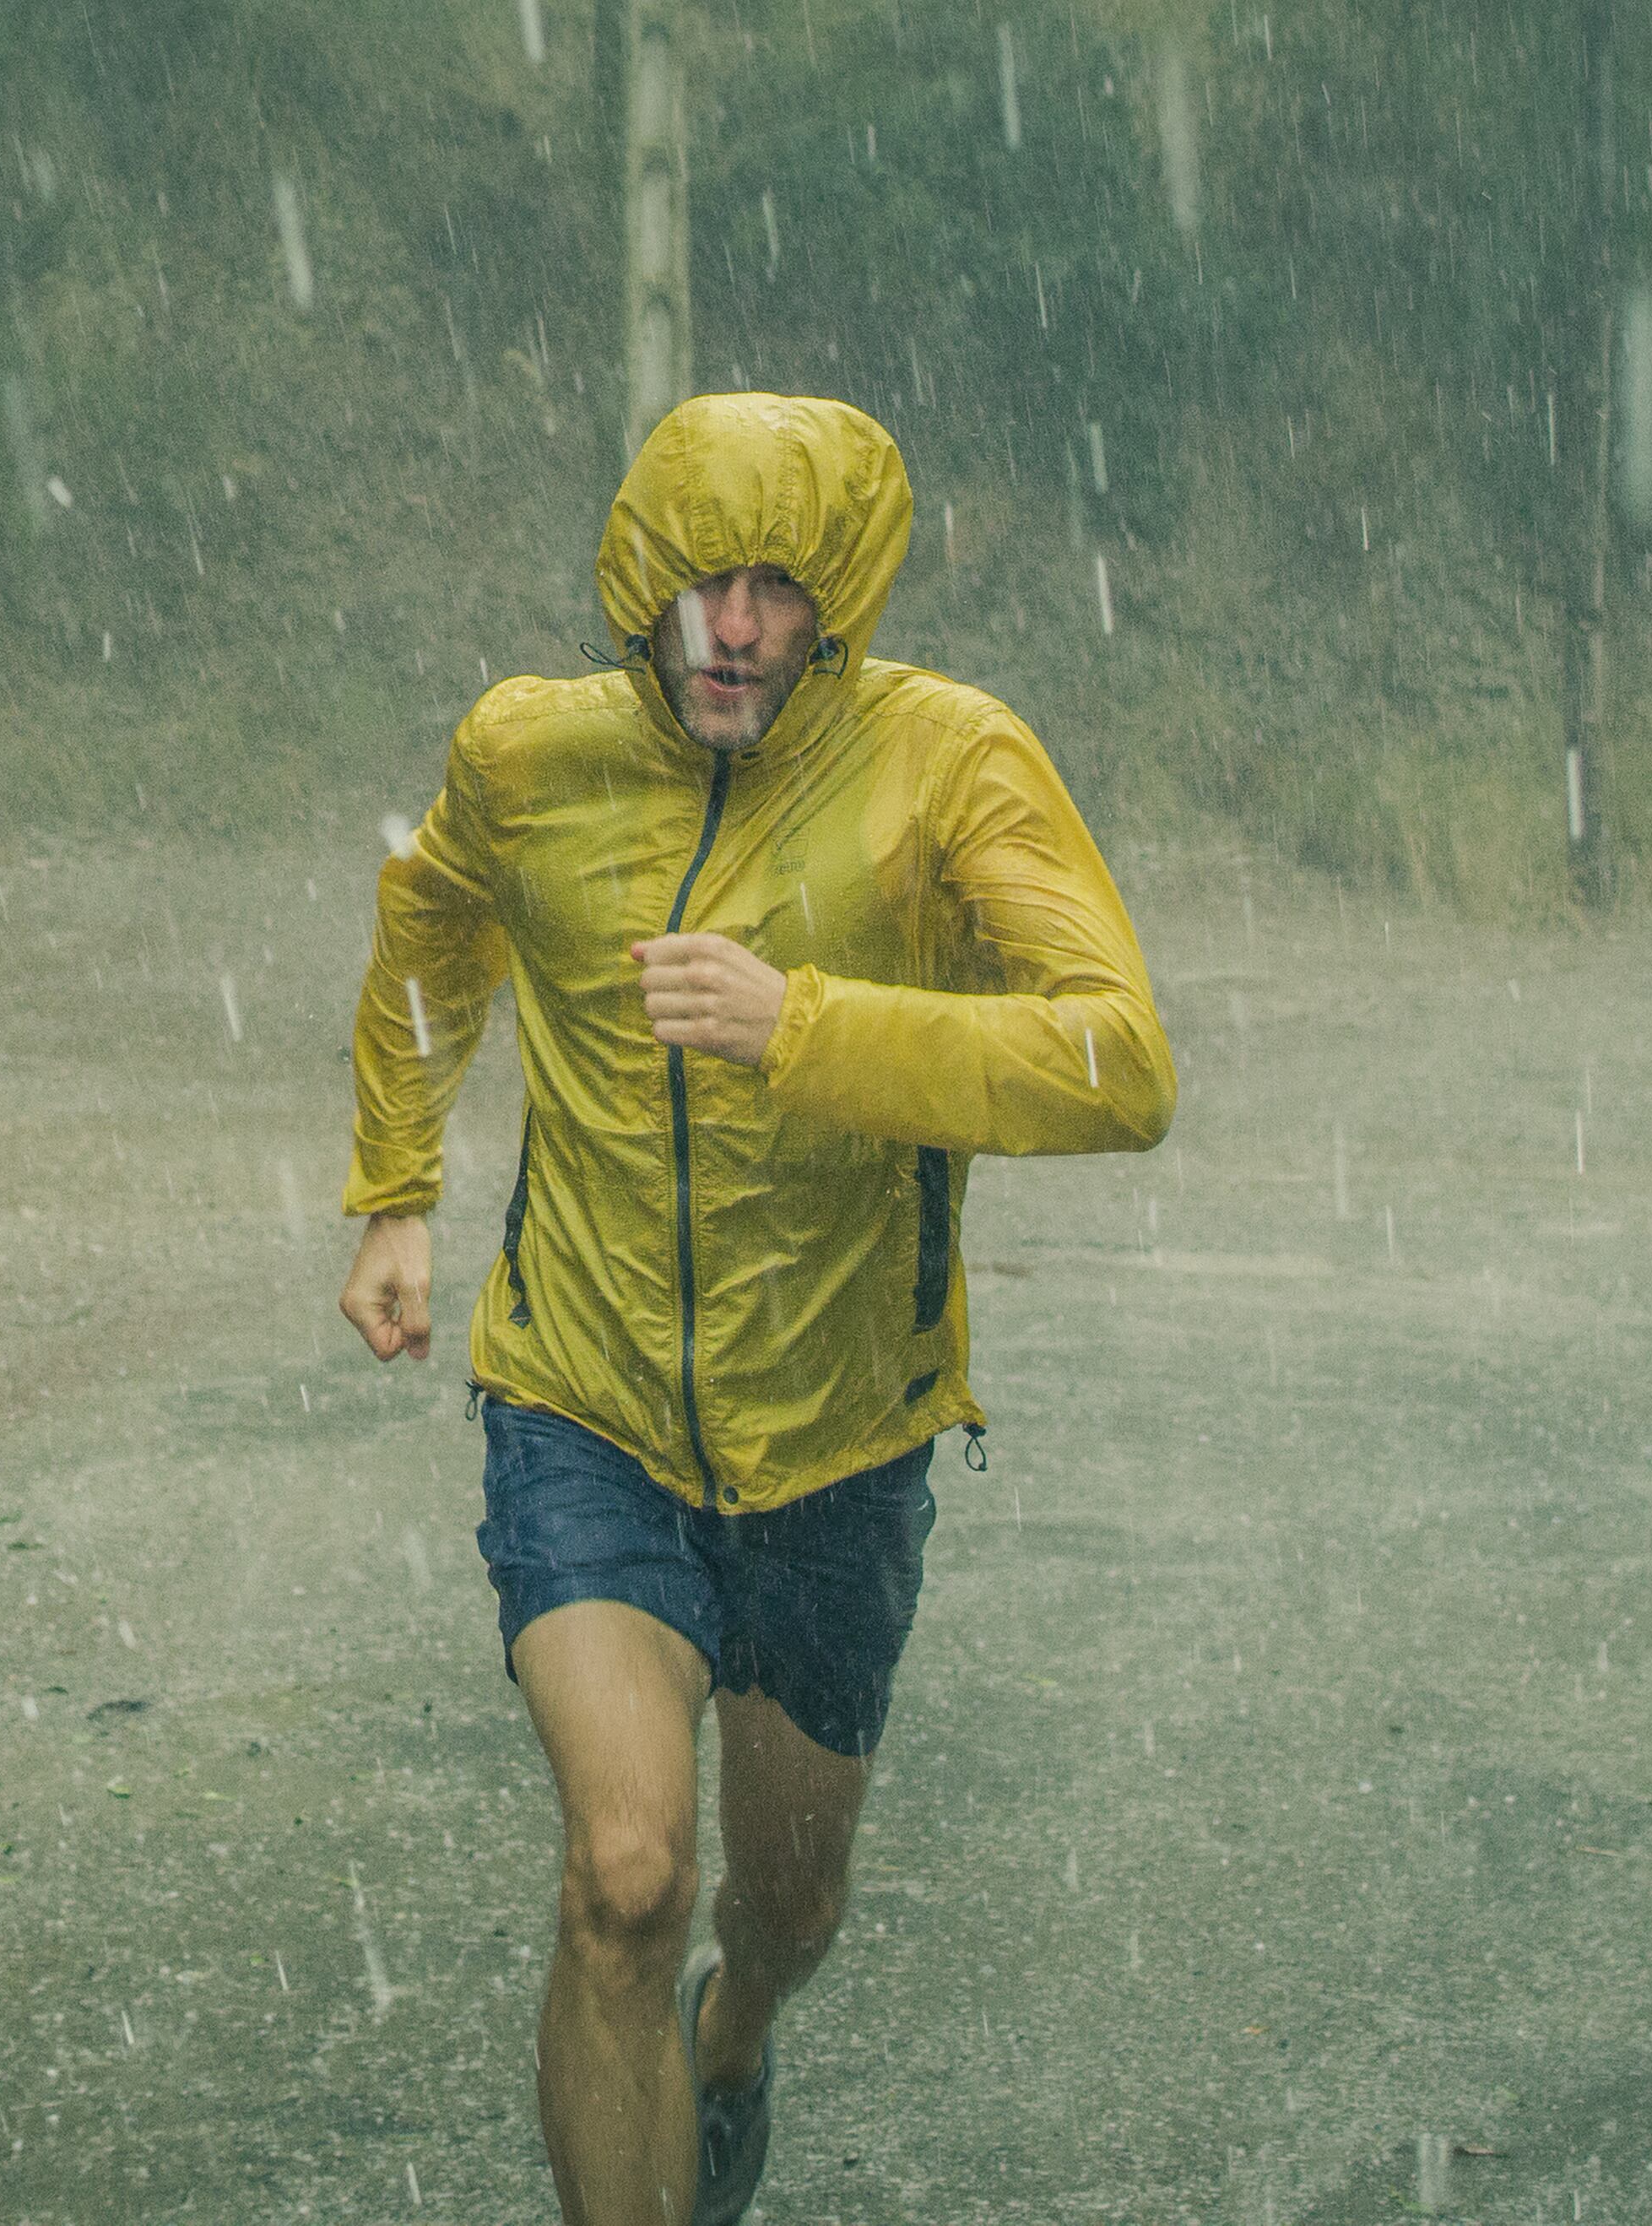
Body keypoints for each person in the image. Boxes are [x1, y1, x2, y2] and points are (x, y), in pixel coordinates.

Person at [333, 391, 1175, 2226]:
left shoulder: (946, 762)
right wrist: (396, 1186)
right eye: (706, 577)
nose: (738, 623)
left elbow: (1119, 1061)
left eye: (785, 589)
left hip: (839, 1439)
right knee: (622, 1873)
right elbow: (432, 929)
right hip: (585, 1400)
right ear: (639, 578)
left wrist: (809, 1027)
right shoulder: (525, 754)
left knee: (777, 1902)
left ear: (842, 605)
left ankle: (740, 2030)